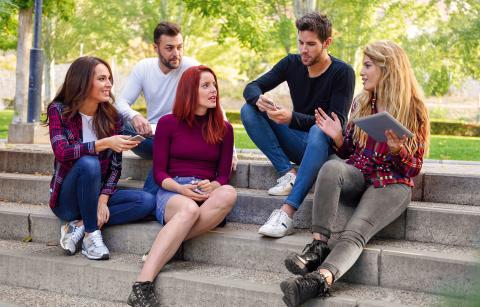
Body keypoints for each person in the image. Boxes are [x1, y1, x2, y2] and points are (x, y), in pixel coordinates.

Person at [280, 41, 430, 307]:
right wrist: (337, 136)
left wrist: (398, 151)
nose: (361, 72)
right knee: (331, 166)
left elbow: (413, 168)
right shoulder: (362, 102)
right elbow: (350, 151)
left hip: (392, 184)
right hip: (362, 173)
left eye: (368, 65)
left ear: (388, 69)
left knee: (354, 233)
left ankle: (316, 282)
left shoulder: (413, 109)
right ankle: (317, 248)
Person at [127, 65, 237, 306]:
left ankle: (168, 242)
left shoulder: (224, 129)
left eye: (214, 85)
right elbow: (159, 173)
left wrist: (214, 186)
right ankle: (141, 285)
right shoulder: (168, 124)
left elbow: (224, 176)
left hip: (206, 192)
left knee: (229, 193)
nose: (213, 90)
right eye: (205, 86)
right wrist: (181, 189)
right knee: (189, 210)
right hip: (173, 191)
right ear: (190, 90)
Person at [241, 12, 355, 238]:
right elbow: (251, 87)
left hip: (324, 148)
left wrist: (292, 118)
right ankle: (287, 174)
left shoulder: (343, 73)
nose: (304, 49)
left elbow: (335, 124)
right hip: (297, 142)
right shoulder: (291, 63)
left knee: (319, 128)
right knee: (248, 109)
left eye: (311, 44)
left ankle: (286, 212)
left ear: (327, 43)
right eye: (301, 43)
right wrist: (258, 100)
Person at [46, 56, 156, 260]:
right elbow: (62, 152)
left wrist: (103, 199)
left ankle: (79, 225)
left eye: (109, 78)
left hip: (95, 194)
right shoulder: (59, 110)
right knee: (89, 163)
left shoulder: (112, 117)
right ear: (83, 82)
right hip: (67, 200)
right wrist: (104, 143)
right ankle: (90, 236)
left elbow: (115, 168)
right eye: (102, 79)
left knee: (146, 201)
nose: (109, 84)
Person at [116, 21, 237, 195]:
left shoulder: (192, 68)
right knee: (116, 119)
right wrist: (134, 115)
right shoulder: (143, 68)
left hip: (182, 138)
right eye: (169, 48)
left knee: (170, 147)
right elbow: (120, 102)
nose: (176, 53)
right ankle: (108, 182)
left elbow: (215, 104)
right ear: (155, 48)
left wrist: (230, 150)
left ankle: (150, 198)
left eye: (180, 47)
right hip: (150, 138)